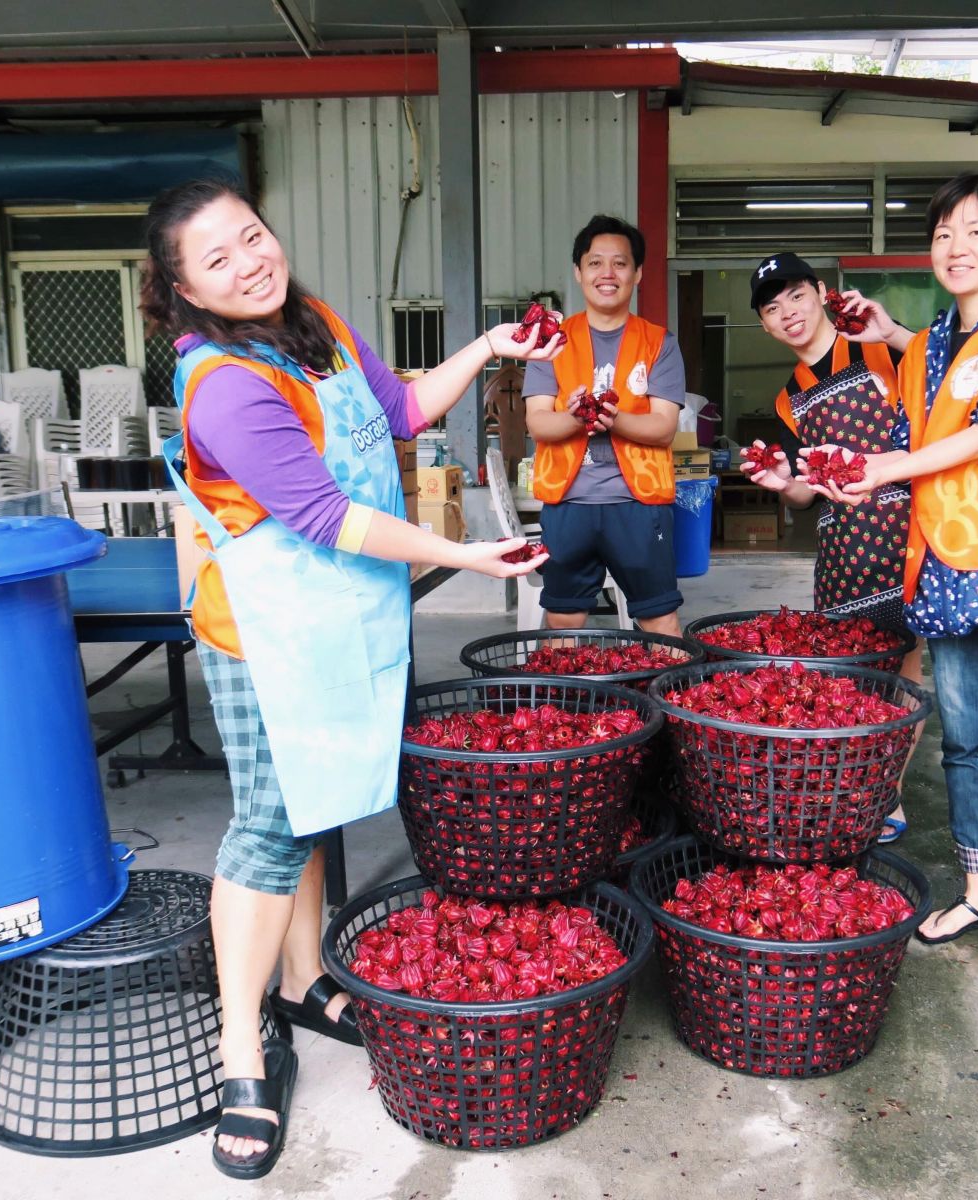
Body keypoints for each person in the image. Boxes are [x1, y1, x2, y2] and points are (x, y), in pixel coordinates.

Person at [140, 177, 555, 1179]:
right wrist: (460, 555)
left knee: (320, 802)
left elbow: (401, 407)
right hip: (269, 631)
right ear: (184, 291)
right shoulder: (227, 383)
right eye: (218, 259)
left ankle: (304, 976)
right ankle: (242, 1050)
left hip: (346, 613)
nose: (249, 263)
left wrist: (490, 349)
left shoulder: (312, 322)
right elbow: (324, 516)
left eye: (252, 236)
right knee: (270, 824)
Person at [808, 173, 978, 1008]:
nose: (957, 248)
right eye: (943, 236)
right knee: (963, 745)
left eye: (975, 231)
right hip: (947, 572)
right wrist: (845, 479)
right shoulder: (924, 349)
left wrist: (886, 465)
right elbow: (903, 445)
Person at [739, 252, 920, 843]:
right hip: (842, 554)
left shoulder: (877, 345)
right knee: (847, 684)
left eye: (795, 295)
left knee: (902, 678)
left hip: (905, 537)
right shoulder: (790, 398)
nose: (787, 312)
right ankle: (851, 791)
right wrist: (779, 483)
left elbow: (950, 370)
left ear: (821, 292)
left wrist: (894, 331)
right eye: (772, 307)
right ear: (764, 326)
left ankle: (887, 798)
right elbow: (803, 495)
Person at [523, 214, 686, 637]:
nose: (607, 274)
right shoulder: (552, 342)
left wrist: (614, 420)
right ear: (578, 272)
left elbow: (664, 427)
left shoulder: (660, 343)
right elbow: (538, 422)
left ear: (638, 273)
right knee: (563, 618)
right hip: (568, 504)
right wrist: (576, 417)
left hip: (640, 506)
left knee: (658, 616)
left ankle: (662, 702)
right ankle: (563, 702)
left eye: (620, 263)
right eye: (595, 263)